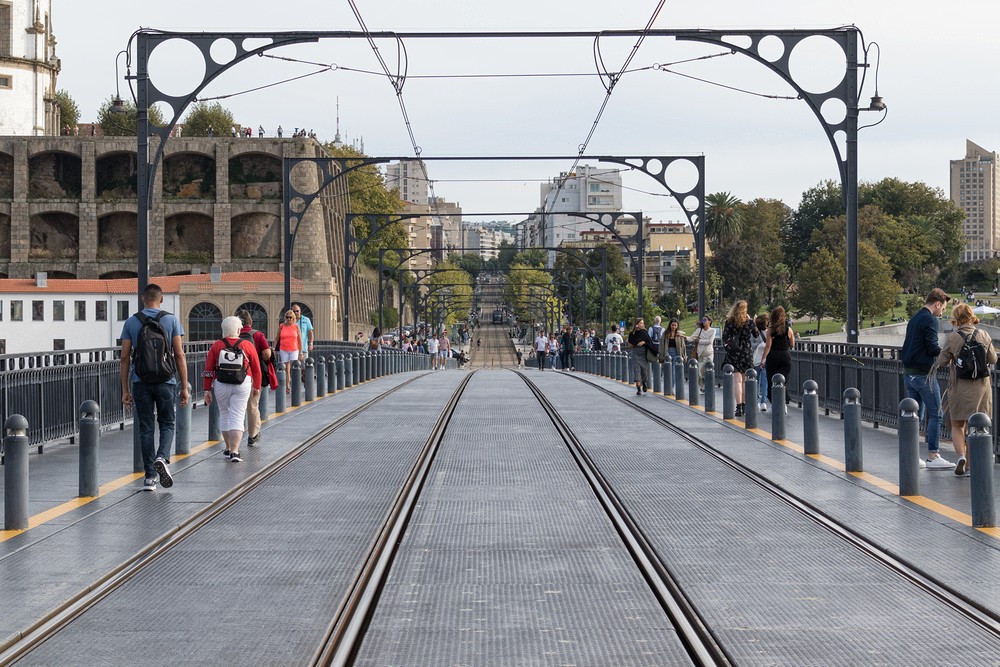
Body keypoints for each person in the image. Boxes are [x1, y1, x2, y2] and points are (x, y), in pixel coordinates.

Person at [120, 284, 189, 491]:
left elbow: (124, 357)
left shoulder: (132, 322)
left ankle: (150, 477)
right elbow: (179, 355)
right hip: (166, 381)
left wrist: (125, 389)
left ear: (143, 299)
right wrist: (184, 387)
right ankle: (162, 457)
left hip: (140, 381)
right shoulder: (171, 320)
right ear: (162, 299)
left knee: (146, 428)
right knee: (167, 423)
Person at [936, 302, 996, 476]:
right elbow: (992, 359)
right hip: (981, 387)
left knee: (957, 424)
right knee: (975, 426)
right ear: (971, 316)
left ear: (957, 318)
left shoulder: (953, 337)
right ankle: (970, 467)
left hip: (959, 386)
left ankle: (961, 456)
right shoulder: (984, 334)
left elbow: (941, 361)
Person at [900, 288, 955, 469]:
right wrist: (947, 356)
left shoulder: (915, 318)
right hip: (924, 376)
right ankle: (933, 455)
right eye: (943, 308)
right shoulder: (930, 319)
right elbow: (932, 347)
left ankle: (911, 455)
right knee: (936, 415)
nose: (942, 312)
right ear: (937, 303)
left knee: (914, 415)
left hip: (909, 374)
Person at [204, 316, 262, 462]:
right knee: (238, 415)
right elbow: (257, 369)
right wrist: (257, 387)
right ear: (238, 330)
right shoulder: (247, 345)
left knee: (225, 414)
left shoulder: (216, 345)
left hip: (221, 383)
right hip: (242, 383)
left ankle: (228, 447)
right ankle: (235, 452)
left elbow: (208, 369)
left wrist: (207, 390)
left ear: (223, 330)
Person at [237, 308, 272, 446]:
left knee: (236, 407)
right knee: (252, 406)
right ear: (250, 322)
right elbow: (267, 354)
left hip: (234, 375)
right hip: (252, 375)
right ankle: (252, 435)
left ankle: (235, 438)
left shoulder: (233, 335)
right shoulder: (257, 335)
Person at [722, 300, 757, 417]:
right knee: (745, 381)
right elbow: (756, 334)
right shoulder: (749, 322)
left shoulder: (729, 321)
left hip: (734, 352)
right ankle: (745, 405)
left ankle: (739, 407)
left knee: (737, 381)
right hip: (746, 353)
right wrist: (751, 320)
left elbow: (725, 337)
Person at [762, 308, 795, 413]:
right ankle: (783, 404)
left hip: (773, 357)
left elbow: (768, 346)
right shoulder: (788, 329)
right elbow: (792, 344)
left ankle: (774, 404)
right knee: (783, 381)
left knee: (772, 381)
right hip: (785, 357)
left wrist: (763, 359)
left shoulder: (770, 330)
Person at [627, 317, 657, 396]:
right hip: (635, 353)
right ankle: (638, 388)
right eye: (641, 323)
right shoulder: (631, 334)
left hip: (643, 354)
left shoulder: (644, 332)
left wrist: (644, 342)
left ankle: (644, 383)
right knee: (637, 371)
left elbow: (649, 342)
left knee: (644, 371)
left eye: (643, 323)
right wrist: (632, 344)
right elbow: (629, 345)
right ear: (636, 325)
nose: (642, 324)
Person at [275, 308, 302, 393]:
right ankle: (287, 386)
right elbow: (277, 338)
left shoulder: (296, 326)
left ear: (293, 318)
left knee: (294, 367)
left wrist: (301, 352)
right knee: (286, 368)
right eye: (287, 317)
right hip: (284, 349)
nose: (288, 319)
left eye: (290, 317)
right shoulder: (282, 326)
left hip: (294, 349)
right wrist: (273, 348)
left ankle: (295, 384)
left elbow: (299, 340)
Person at [686, 316, 716, 392]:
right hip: (700, 354)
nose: (703, 321)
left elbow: (710, 341)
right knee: (700, 373)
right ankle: (702, 386)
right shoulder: (699, 330)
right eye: (702, 320)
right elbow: (691, 338)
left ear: (709, 321)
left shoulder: (713, 330)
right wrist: (683, 336)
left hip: (709, 353)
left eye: (705, 320)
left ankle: (707, 386)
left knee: (707, 371)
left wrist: (699, 341)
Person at [752, 313, 769, 412]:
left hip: (757, 360)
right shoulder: (769, 333)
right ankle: (763, 402)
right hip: (767, 359)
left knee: (756, 381)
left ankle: (757, 401)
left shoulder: (755, 333)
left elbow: (752, 345)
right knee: (765, 381)